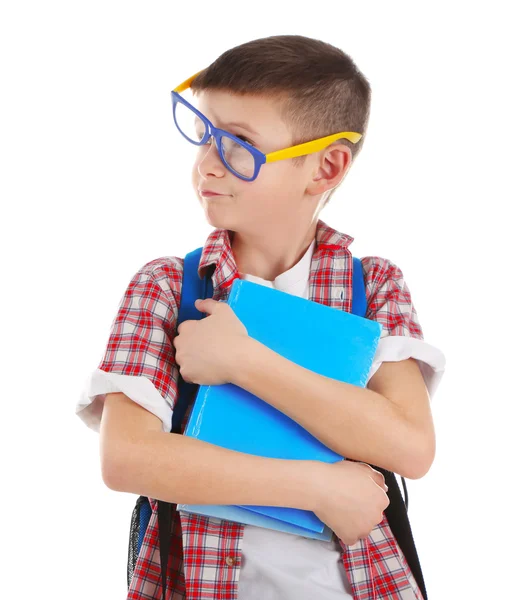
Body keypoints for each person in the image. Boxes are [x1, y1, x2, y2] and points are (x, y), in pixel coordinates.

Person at [76, 35, 446, 600]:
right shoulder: (166, 286)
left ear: (325, 167)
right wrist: (318, 487)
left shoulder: (373, 286)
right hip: (201, 582)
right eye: (205, 135)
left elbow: (410, 447)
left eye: (237, 144)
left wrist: (243, 361)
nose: (206, 164)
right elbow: (128, 459)